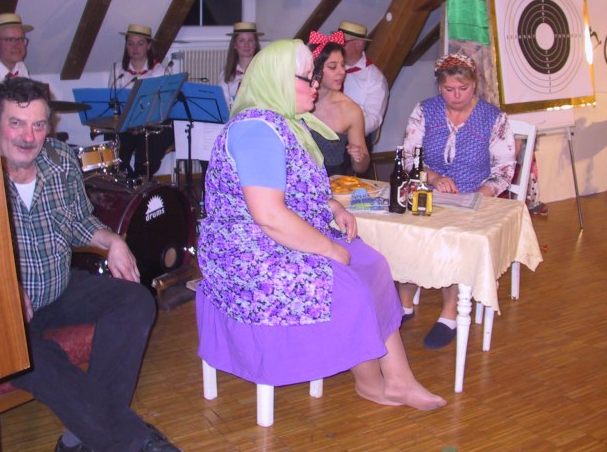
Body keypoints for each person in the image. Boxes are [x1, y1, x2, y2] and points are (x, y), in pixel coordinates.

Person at [195, 39, 445, 411]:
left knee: (374, 265)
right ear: (279, 81)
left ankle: (399, 378)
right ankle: (370, 383)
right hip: (247, 255)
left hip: (276, 239)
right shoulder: (255, 132)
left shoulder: (284, 123)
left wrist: (331, 206)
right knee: (348, 284)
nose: (316, 85)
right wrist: (328, 248)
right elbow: (270, 215)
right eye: (307, 78)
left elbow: (293, 187)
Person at [0, 77, 180, 452]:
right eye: (16, 123)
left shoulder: (59, 159)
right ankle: (131, 441)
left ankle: (80, 438)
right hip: (2, 311)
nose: (29, 137)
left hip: (58, 287)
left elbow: (77, 221)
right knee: (36, 358)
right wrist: (3, 288)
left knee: (136, 300)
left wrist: (113, 241)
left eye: (38, 125)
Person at [400, 53, 516, 350]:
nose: (456, 96)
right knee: (407, 231)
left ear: (474, 84)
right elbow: (409, 156)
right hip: (429, 190)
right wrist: (434, 176)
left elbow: (504, 170)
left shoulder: (494, 118)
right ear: (439, 87)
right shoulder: (425, 111)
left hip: (474, 196)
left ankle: (449, 313)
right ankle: (403, 304)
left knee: (454, 240)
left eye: (463, 89)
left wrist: (478, 194)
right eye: (449, 89)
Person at [107, 24, 172, 178]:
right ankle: (122, 178)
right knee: (113, 145)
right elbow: (113, 104)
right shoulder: (117, 70)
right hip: (126, 124)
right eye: (130, 44)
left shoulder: (161, 71)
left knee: (146, 155)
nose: (135, 48)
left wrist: (142, 123)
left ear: (149, 46)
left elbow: (164, 106)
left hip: (152, 124)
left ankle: (140, 179)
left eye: (140, 44)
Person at [307, 30, 370, 176]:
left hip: (332, 183)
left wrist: (359, 158)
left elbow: (361, 168)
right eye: (333, 66)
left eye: (342, 65)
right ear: (314, 68)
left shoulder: (350, 110)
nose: (342, 72)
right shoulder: (295, 102)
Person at [339, 20, 389, 147]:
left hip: (354, 138)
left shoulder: (375, 78)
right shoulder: (328, 69)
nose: (337, 45)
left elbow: (374, 118)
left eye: (343, 42)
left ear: (359, 45)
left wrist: (348, 131)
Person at [217, 21, 263, 108]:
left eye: (250, 40)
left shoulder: (264, 72)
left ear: (255, 44)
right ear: (234, 45)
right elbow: (223, 102)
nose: (246, 45)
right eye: (242, 41)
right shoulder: (226, 74)